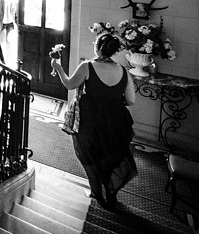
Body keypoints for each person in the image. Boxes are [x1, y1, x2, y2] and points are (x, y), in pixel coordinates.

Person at [49, 32, 138, 211]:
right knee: (108, 155)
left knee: (90, 156)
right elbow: (130, 101)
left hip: (90, 120)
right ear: (114, 51)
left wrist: (57, 67)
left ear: (97, 47)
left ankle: (97, 192)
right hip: (115, 121)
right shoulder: (123, 70)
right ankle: (111, 192)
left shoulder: (87, 66)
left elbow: (69, 84)